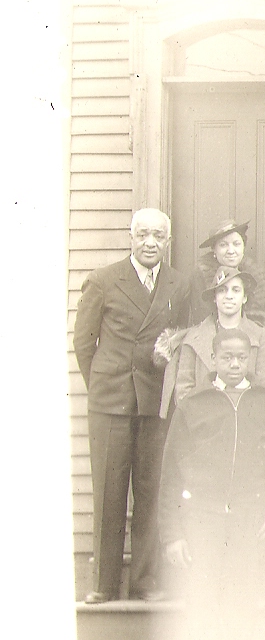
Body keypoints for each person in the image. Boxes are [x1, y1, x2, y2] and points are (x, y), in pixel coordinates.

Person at [158, 329, 265, 640]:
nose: (234, 364)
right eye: (226, 357)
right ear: (213, 360)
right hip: (203, 518)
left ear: (250, 360)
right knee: (201, 600)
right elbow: (170, 475)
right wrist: (172, 534)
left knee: (241, 599)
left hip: (248, 517)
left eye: (241, 358)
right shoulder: (193, 405)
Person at [74, 208, 192, 601]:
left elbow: (183, 341)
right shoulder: (103, 280)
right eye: (143, 235)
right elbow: (83, 344)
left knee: (151, 492)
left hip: (155, 403)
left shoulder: (179, 284)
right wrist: (105, 386)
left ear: (168, 242)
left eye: (158, 236)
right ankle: (104, 585)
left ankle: (144, 582)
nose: (150, 243)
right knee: (109, 494)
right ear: (131, 237)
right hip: (111, 403)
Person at [161, 267, 265, 415]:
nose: (229, 296)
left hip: (247, 420)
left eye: (235, 290)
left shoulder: (262, 337)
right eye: (222, 290)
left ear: (245, 297)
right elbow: (184, 389)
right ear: (214, 298)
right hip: (204, 421)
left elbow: (264, 388)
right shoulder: (193, 338)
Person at [185, 219, 265, 334]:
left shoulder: (257, 277)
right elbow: (202, 321)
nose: (231, 251)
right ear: (214, 250)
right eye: (223, 245)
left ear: (243, 247)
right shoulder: (202, 276)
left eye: (236, 244)